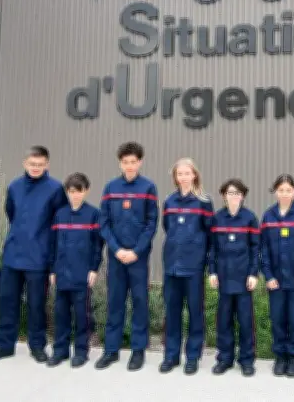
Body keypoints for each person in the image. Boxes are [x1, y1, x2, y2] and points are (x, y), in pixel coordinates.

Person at [0, 146, 68, 364]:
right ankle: (4, 345)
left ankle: (37, 346)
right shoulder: (14, 186)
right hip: (13, 254)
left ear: (47, 165)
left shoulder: (56, 189)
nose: (36, 168)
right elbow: (11, 213)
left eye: (40, 165)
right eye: (32, 164)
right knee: (7, 302)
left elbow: (59, 222)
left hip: (39, 256)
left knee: (36, 304)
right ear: (24, 163)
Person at [96, 142, 159, 371]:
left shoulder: (148, 187)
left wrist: (136, 251)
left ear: (140, 162)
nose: (130, 166)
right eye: (126, 162)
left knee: (140, 302)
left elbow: (152, 223)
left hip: (138, 258)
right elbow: (103, 222)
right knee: (115, 303)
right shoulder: (110, 188)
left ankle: (138, 350)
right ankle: (111, 350)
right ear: (120, 163)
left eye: (134, 162)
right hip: (116, 257)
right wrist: (116, 249)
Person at [158, 158, 214, 375]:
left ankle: (192, 356)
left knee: (194, 312)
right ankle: (171, 356)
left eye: (186, 173)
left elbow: (210, 234)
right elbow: (167, 228)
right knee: (172, 312)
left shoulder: (203, 202)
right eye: (179, 174)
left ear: (194, 175)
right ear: (175, 177)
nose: (183, 177)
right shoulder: (169, 201)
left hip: (193, 266)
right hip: (172, 265)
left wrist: (206, 262)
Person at [47, 173, 104, 368]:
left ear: (86, 191)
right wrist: (52, 269)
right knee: (61, 314)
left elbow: (98, 245)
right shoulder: (60, 214)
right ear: (67, 192)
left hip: (82, 274)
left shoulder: (93, 214)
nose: (75, 195)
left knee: (82, 315)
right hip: (62, 273)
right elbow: (52, 244)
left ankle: (81, 351)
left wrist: (94, 269)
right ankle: (60, 351)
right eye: (71, 192)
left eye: (78, 191)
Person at [260, 174, 294, 378]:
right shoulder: (268, 216)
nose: (284, 194)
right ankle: (280, 356)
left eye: (288, 190)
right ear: (275, 192)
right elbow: (263, 248)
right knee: (278, 319)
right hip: (276, 280)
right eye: (281, 190)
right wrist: (268, 275)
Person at [208, 178, 260, 377]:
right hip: (223, 278)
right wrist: (212, 271)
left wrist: (253, 273)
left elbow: (256, 249)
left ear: (243, 196)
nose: (233, 197)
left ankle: (247, 360)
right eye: (230, 193)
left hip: (244, 280)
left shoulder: (250, 219)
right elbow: (212, 248)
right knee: (224, 321)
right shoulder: (217, 219)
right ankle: (225, 359)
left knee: (246, 321)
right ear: (223, 196)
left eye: (237, 193)